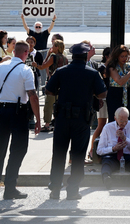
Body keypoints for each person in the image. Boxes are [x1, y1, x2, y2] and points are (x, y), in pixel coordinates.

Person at [45, 42, 107, 201]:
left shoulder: (61, 71)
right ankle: (73, 191)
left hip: (62, 118)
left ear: (72, 55)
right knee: (78, 156)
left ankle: (55, 189)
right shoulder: (92, 73)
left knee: (59, 154)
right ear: (86, 55)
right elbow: (102, 94)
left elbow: (49, 90)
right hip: (81, 119)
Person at [0, 41, 41, 200]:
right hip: (19, 113)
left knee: (0, 150)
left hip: (3, 111)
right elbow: (32, 96)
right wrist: (38, 119)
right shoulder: (26, 70)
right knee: (17, 151)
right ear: (26, 53)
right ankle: (10, 187)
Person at [97, 106, 130, 183]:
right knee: (106, 164)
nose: (124, 124)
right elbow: (99, 150)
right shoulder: (108, 128)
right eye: (121, 121)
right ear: (115, 118)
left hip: (127, 156)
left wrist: (125, 139)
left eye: (126, 121)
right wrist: (113, 148)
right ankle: (107, 179)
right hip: (112, 156)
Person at [34, 39, 68, 131]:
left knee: (49, 104)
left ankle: (47, 124)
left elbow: (43, 66)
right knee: (59, 104)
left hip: (53, 83)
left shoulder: (53, 56)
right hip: (62, 85)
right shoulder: (65, 58)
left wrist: (48, 55)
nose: (51, 47)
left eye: (53, 46)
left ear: (57, 47)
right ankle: (58, 123)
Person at [106, 45, 130, 121]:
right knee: (115, 118)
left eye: (126, 56)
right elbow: (120, 81)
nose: (124, 58)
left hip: (127, 94)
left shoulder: (127, 67)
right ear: (117, 56)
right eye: (122, 56)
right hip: (115, 94)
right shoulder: (112, 67)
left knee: (129, 118)